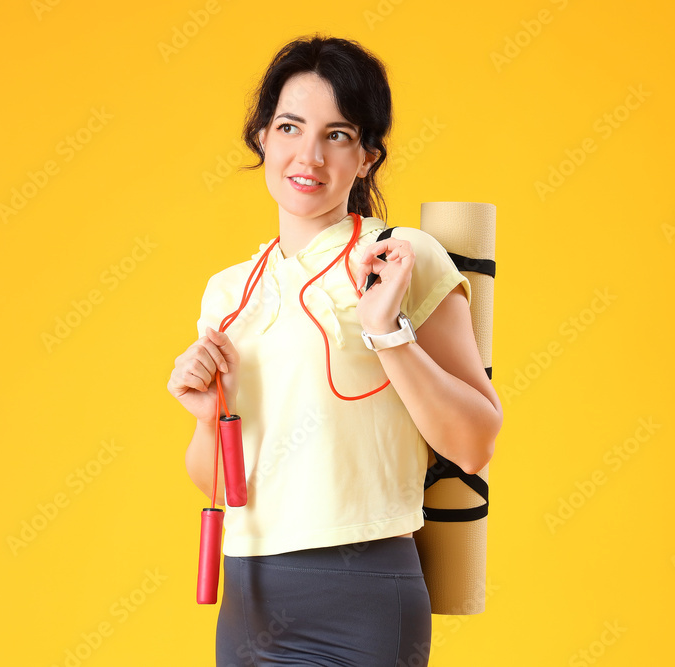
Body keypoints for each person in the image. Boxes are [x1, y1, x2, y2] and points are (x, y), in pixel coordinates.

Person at [167, 34, 502, 666]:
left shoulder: (402, 260)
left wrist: (389, 332)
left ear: (369, 157)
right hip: (246, 595)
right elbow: (213, 475)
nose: (309, 155)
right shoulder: (228, 290)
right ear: (262, 136)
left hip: (363, 592)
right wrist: (208, 419)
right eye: (290, 126)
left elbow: (474, 442)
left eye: (338, 134)